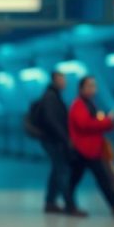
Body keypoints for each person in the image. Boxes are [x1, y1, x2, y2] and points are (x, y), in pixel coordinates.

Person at [68, 76, 114, 217]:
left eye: (94, 86)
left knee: (101, 178)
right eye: (89, 86)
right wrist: (106, 121)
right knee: (76, 179)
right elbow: (85, 124)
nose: (93, 89)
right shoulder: (78, 105)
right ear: (81, 88)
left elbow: (97, 123)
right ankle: (70, 205)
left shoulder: (90, 104)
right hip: (83, 150)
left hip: (92, 149)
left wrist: (107, 122)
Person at [37, 71, 83, 216]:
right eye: (62, 79)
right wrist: (65, 138)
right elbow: (52, 121)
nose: (65, 82)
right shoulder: (51, 97)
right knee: (63, 170)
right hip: (53, 139)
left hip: (53, 139)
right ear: (54, 80)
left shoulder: (53, 95)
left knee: (57, 169)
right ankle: (71, 205)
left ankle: (50, 202)